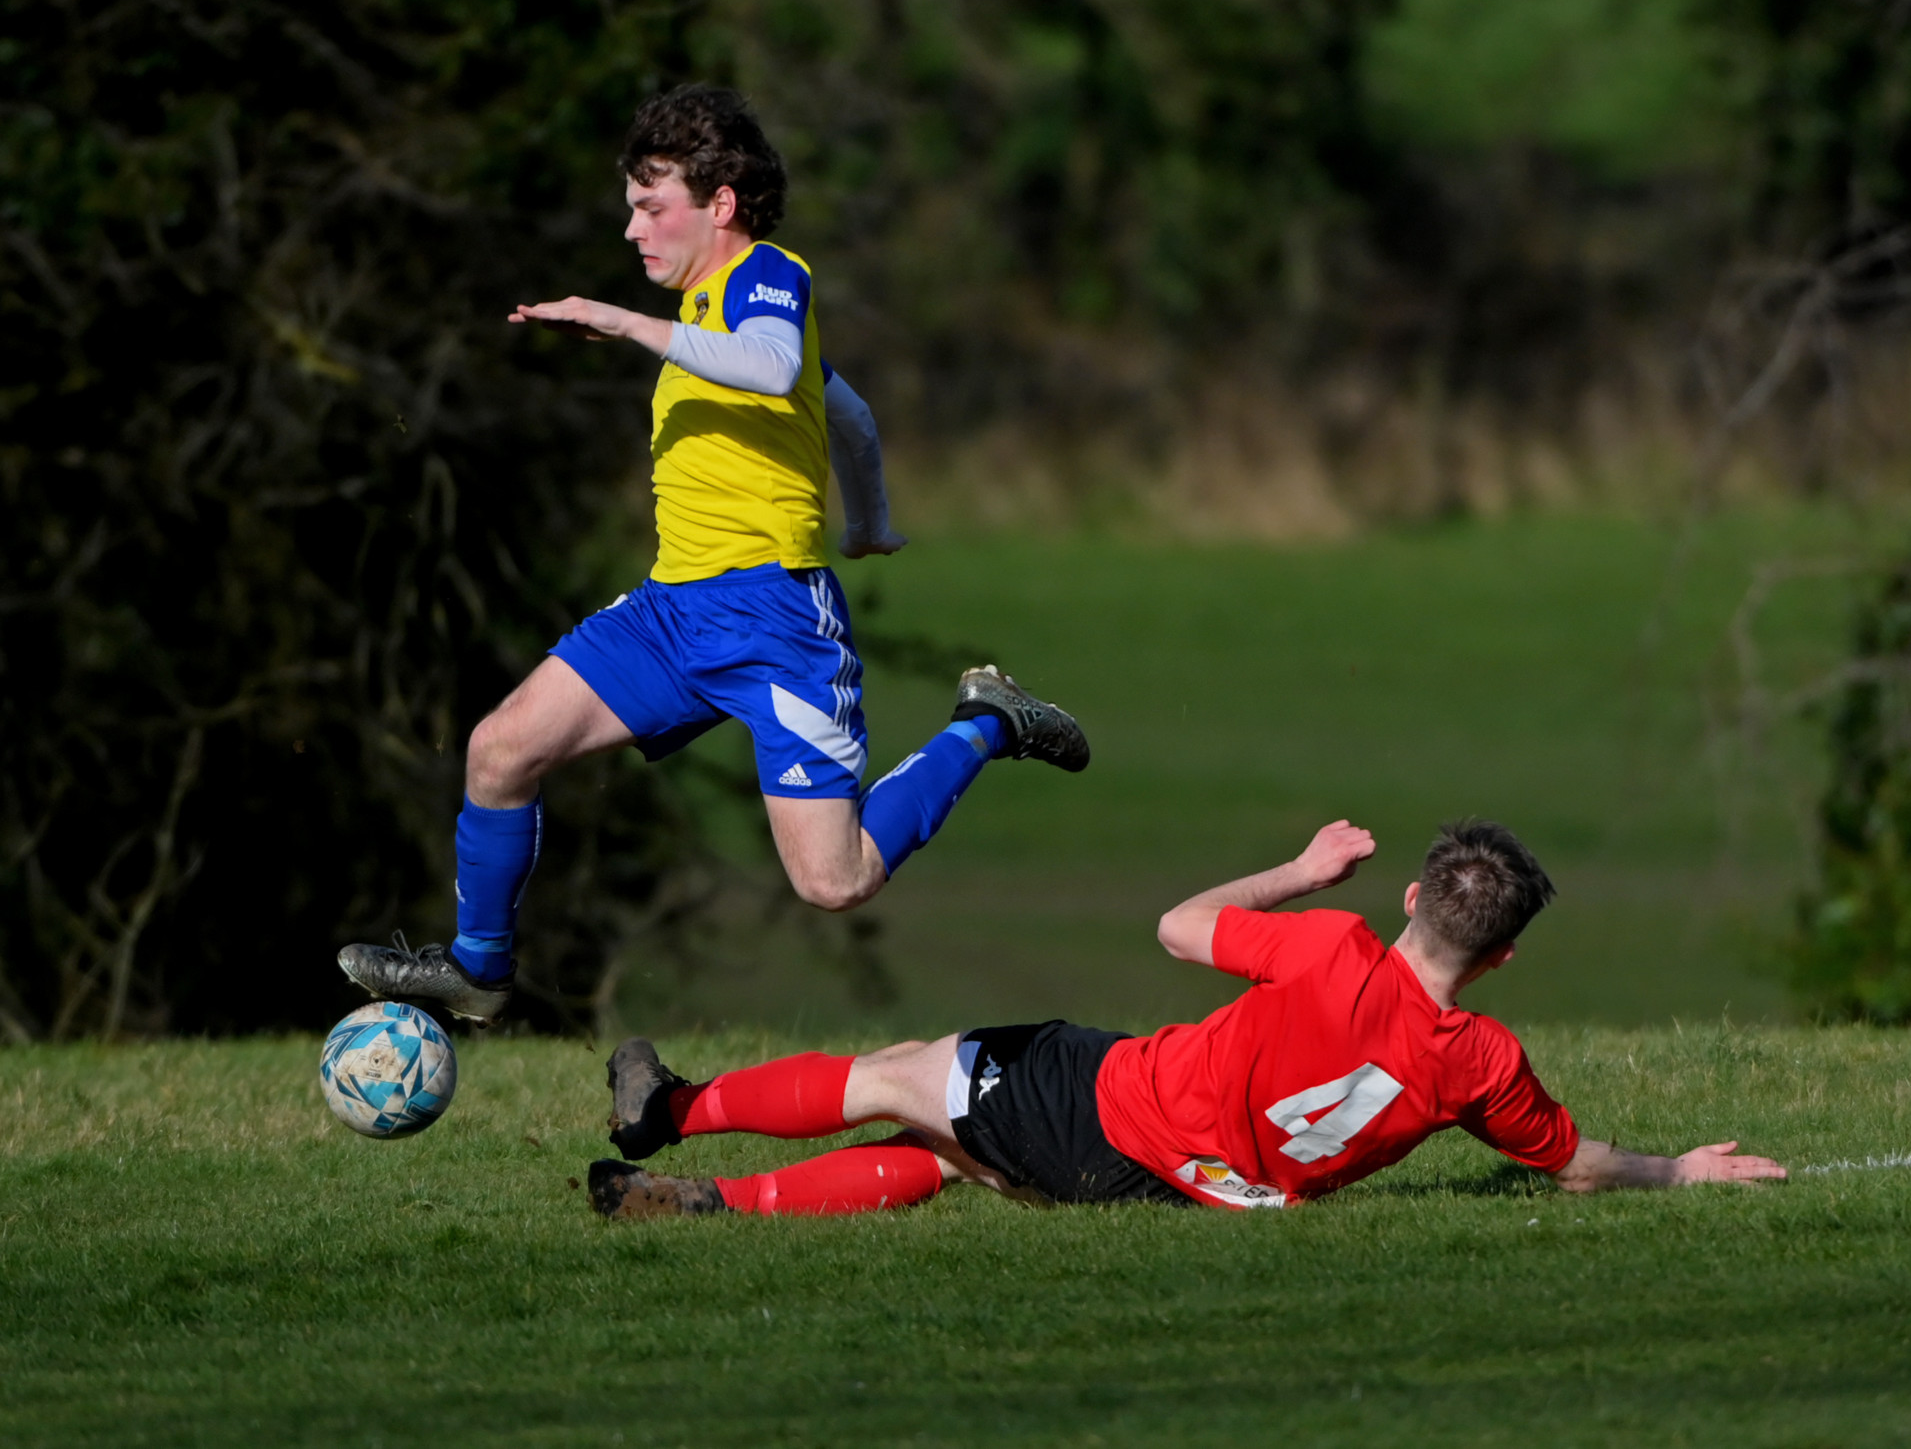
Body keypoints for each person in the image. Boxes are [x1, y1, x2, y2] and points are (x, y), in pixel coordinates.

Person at [336, 86, 1088, 1022]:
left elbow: (776, 365)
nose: (631, 227)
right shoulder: (701, 310)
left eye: (651, 205)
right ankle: (479, 971)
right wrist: (870, 520)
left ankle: (989, 721)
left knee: (836, 879)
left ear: (719, 204)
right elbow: (845, 413)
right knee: (497, 751)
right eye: (631, 205)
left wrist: (623, 324)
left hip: (775, 622)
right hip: (669, 613)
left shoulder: (767, 275)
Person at [586, 818, 1787, 1218]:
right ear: (1506, 953)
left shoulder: (1331, 946)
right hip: (1185, 1178)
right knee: (942, 1153)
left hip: (1115, 1112)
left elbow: (1177, 925)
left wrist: (1305, 870)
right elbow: (1577, 1165)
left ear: (1413, 895)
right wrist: (1681, 1168)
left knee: (906, 1073)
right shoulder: (1481, 1061)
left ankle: (673, 1115)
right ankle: (701, 1205)